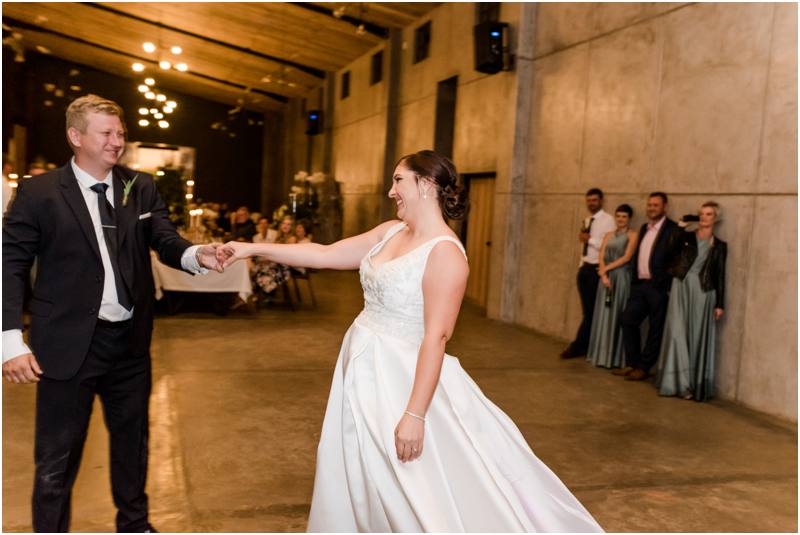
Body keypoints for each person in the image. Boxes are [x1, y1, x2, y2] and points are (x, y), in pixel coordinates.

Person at [218, 150, 603, 532]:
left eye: (398, 180)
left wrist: (415, 415)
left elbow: (437, 336)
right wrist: (251, 249)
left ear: (427, 184)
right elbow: (325, 253)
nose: (391, 191)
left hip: (402, 378)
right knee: (360, 465)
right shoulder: (390, 231)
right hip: (362, 365)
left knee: (413, 488)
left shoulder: (446, 253)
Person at [2, 94, 223, 532]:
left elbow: (165, 240)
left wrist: (197, 254)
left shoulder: (140, 186)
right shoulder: (39, 193)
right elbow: (10, 265)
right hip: (66, 346)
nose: (116, 141)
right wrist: (9, 339)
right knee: (57, 460)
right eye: (106, 133)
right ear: (75, 136)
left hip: (129, 345)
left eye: (120, 133)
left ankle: (135, 526)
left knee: (132, 446)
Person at [656, 202, 727, 401]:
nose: (704, 217)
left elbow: (720, 275)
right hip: (681, 286)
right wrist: (679, 228)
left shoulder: (720, 246)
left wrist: (720, 303)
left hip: (704, 293)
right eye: (701, 214)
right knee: (677, 334)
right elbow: (667, 251)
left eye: (709, 214)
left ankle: (692, 384)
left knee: (695, 337)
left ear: (716, 218)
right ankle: (679, 384)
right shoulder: (686, 237)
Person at [615, 192, 682, 382]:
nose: (651, 208)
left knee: (655, 328)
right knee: (628, 320)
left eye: (655, 205)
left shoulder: (673, 229)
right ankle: (632, 363)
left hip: (657, 287)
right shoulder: (644, 227)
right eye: (649, 205)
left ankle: (643, 367)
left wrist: (664, 280)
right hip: (640, 285)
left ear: (664, 207)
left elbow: (678, 259)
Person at [560, 188, 616, 359]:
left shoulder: (608, 220)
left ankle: (578, 346)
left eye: (594, 200)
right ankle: (585, 345)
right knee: (588, 311)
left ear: (601, 201)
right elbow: (583, 246)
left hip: (596, 270)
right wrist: (581, 264)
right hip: (585, 268)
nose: (591, 203)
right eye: (589, 201)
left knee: (590, 312)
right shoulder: (587, 220)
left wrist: (589, 240)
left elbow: (609, 245)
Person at [587, 204, 638, 369]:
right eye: (618, 216)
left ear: (629, 218)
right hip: (605, 279)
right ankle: (601, 355)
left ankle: (614, 358)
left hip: (621, 278)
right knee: (604, 313)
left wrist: (605, 270)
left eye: (624, 216)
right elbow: (601, 254)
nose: (620, 219)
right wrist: (603, 274)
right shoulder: (608, 235)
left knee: (617, 313)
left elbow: (627, 257)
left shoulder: (633, 235)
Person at [251, 215, 296, 295]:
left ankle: (264, 294)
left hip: (284, 268)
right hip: (275, 265)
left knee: (261, 271)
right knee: (257, 268)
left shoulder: (292, 239)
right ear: (281, 225)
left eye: (288, 224)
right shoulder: (279, 237)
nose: (285, 226)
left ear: (291, 227)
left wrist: (270, 260)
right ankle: (265, 294)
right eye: (284, 223)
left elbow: (287, 256)